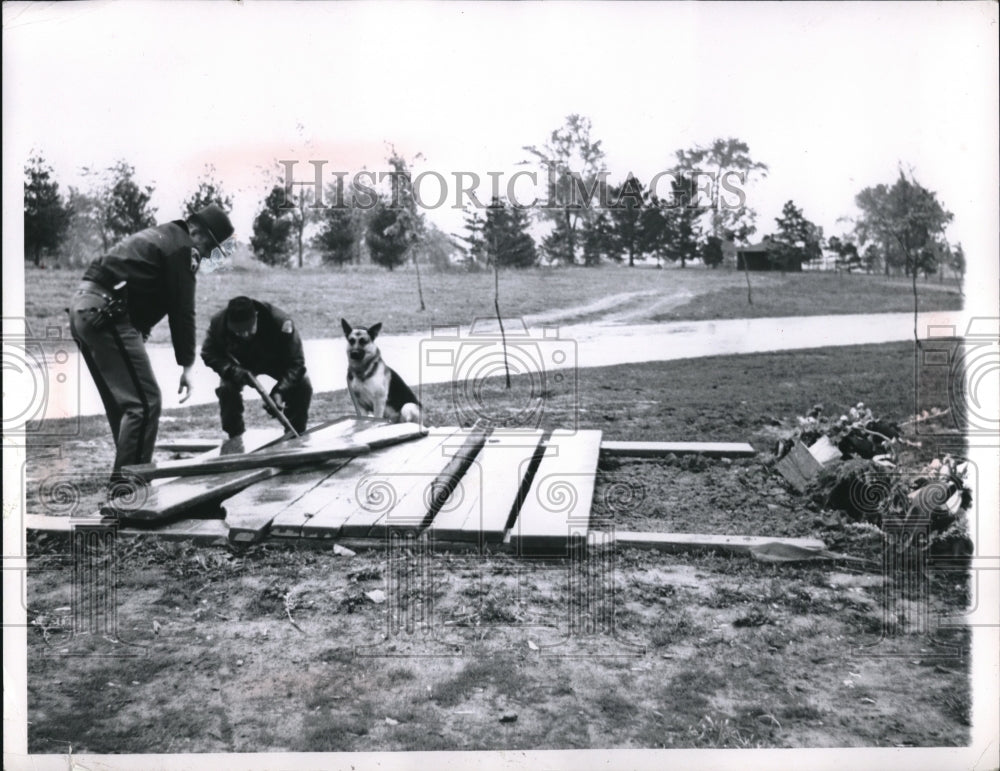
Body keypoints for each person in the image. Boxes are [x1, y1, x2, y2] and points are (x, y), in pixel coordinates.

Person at [68, 204, 235, 493]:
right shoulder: (183, 249)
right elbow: (182, 310)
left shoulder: (164, 237)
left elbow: (140, 288)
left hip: (86, 308)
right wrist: (187, 365)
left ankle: (129, 479)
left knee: (125, 406)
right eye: (210, 244)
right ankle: (128, 489)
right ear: (196, 231)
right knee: (145, 402)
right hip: (105, 311)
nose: (208, 253)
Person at [200, 296, 312, 438]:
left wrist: (280, 391)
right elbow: (208, 352)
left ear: (257, 317)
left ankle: (295, 434)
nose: (244, 335)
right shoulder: (218, 324)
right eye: (238, 332)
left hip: (274, 360)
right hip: (241, 365)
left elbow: (297, 363)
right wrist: (232, 370)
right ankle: (235, 436)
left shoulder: (280, 322)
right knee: (226, 388)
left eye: (248, 329)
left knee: (303, 384)